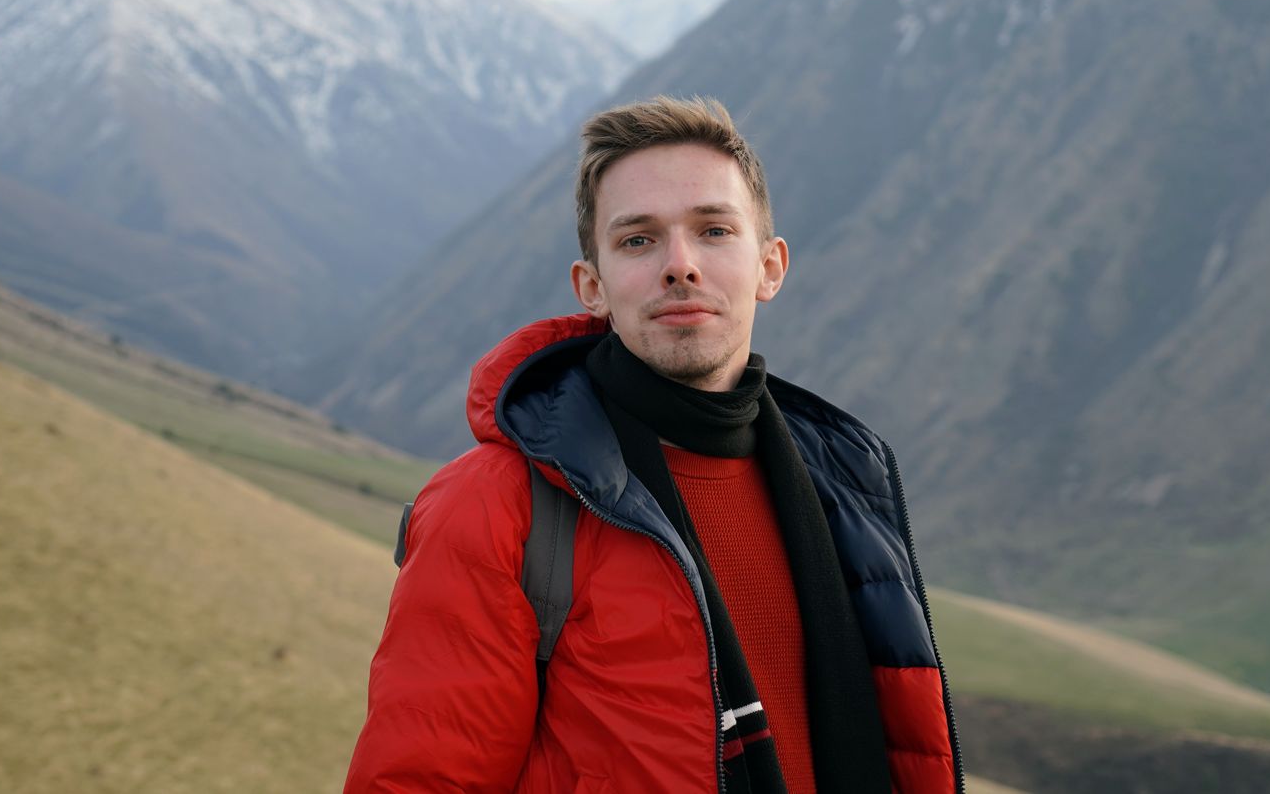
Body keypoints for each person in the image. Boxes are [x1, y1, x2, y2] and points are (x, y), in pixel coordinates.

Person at [343, 96, 962, 793]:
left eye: (714, 230)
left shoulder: (845, 485)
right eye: (638, 240)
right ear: (593, 287)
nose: (680, 265)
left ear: (770, 267)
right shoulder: (495, 504)